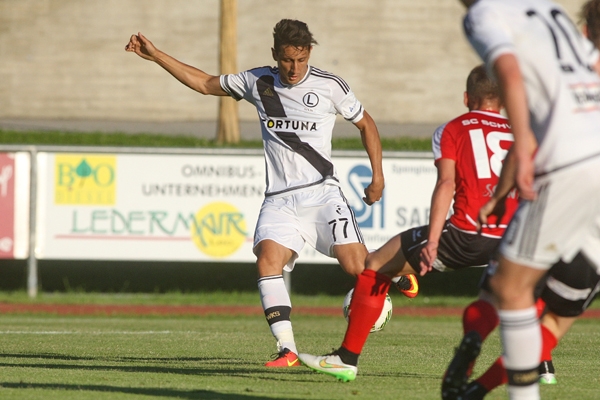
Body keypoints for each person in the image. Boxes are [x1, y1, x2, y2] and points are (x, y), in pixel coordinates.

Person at [125, 19, 402, 368]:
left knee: (357, 267)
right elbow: (206, 84)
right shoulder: (258, 82)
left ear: (309, 54)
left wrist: (378, 176)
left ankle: (394, 267)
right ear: (275, 55)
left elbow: (366, 123)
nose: (294, 68)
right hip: (279, 200)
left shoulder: (330, 86)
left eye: (301, 60)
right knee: (267, 261)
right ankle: (287, 350)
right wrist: (156, 56)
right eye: (287, 60)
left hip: (321, 195)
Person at [299, 64, 518, 382]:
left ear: (466, 97)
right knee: (523, 293)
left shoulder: (452, 129)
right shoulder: (519, 130)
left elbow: (446, 184)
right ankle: (540, 363)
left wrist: (432, 241)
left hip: (467, 234)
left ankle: (346, 358)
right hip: (512, 236)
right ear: (500, 98)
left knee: (375, 263)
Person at [442, 1, 600, 397]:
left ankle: (513, 387)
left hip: (568, 161)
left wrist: (522, 155)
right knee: (554, 315)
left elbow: (510, 77)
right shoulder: (547, 9)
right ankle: (482, 388)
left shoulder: (484, 14)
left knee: (507, 288)